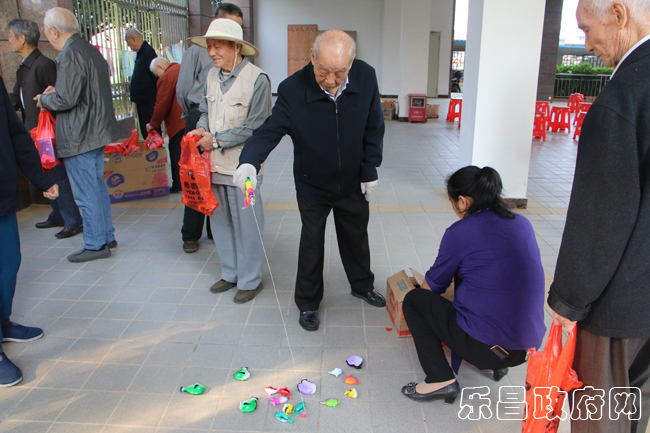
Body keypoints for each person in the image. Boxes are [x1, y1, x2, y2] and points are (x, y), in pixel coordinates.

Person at [236, 30, 385, 331]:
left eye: (340, 72)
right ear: (312, 58)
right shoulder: (292, 89)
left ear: (352, 64)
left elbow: (374, 125)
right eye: (324, 71)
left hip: (353, 181)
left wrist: (370, 169)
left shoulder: (366, 77)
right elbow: (270, 129)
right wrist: (249, 160)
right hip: (312, 183)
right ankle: (307, 303)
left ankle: (361, 285)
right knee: (312, 244)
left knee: (356, 236)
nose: (331, 80)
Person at [548, 1, 650, 432]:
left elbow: (601, 215)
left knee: (602, 415)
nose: (587, 45)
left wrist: (569, 300)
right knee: (635, 407)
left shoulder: (623, 96)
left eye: (588, 30)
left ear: (618, 13)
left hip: (619, 303)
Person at [401, 166, 546, 403]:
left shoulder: (461, 231)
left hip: (486, 349)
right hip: (524, 348)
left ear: (463, 201)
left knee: (415, 301)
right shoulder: (522, 223)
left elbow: (432, 287)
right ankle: (498, 365)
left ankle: (440, 379)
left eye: (452, 202)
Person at [187, 18, 271, 304]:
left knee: (248, 223)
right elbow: (202, 110)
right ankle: (230, 272)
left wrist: (218, 139)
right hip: (213, 167)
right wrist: (201, 126)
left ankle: (250, 279)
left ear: (236, 47)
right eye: (209, 46)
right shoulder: (212, 76)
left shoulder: (258, 80)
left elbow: (256, 127)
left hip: (245, 170)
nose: (212, 52)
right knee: (220, 223)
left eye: (218, 46)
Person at [36, 7, 118, 263]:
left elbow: (67, 99)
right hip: (96, 131)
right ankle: (106, 236)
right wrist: (56, 93)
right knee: (96, 188)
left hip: (79, 134)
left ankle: (95, 244)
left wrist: (46, 99)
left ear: (53, 31)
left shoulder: (70, 55)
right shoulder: (90, 51)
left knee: (85, 193)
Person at [0, 76, 59, 386]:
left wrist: (39, 177)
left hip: (2, 195)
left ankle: (3, 322)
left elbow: (15, 133)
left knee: (8, 264)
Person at [176, 2, 243, 253]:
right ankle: (191, 233)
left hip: (227, 122)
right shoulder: (197, 51)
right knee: (196, 175)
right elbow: (183, 89)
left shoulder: (240, 58)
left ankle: (217, 229)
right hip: (199, 118)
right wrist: (193, 116)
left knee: (218, 175)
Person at [7, 18, 82, 239]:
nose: (9, 40)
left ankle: (72, 220)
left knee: (58, 175)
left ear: (22, 38)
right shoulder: (24, 67)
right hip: (32, 131)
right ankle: (57, 214)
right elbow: (15, 99)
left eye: (10, 36)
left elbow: (59, 97)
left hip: (49, 134)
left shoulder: (43, 65)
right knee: (45, 174)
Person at [146, 57, 186, 192]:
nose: (157, 78)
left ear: (161, 67)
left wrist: (153, 122)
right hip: (192, 118)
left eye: (157, 74)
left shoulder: (167, 76)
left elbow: (162, 103)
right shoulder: (182, 68)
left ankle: (178, 184)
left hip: (178, 121)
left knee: (176, 151)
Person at [125, 28, 157, 139]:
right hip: (142, 99)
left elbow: (154, 74)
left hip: (148, 99)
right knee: (144, 126)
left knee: (150, 127)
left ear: (134, 39)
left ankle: (154, 149)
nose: (129, 47)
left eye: (129, 43)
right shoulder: (140, 52)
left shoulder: (148, 52)